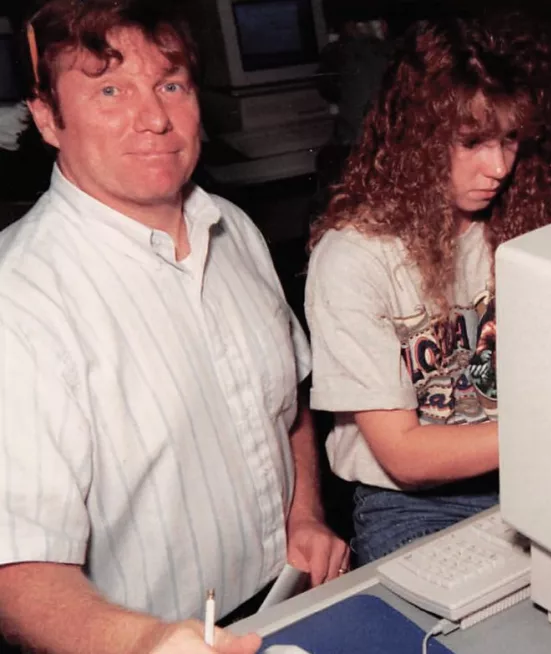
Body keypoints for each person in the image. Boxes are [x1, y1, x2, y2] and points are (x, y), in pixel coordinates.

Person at [0, 1, 349, 652]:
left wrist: (305, 517)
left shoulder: (235, 230)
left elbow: (289, 408)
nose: (154, 118)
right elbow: (19, 577)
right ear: (48, 118)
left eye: (170, 84)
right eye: (110, 89)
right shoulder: (19, 303)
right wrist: (151, 644)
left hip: (281, 612)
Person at [305, 14, 551, 566]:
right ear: (417, 140)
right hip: (410, 505)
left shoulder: (518, 223)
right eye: (471, 142)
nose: (498, 166)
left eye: (510, 139)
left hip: (521, 474)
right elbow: (404, 454)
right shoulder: (352, 258)